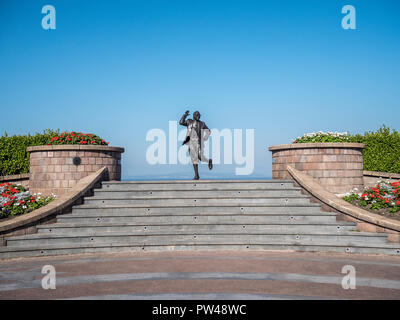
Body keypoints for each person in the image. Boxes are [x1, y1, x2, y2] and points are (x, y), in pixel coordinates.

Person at [179, 110, 213, 180]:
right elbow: (181, 122)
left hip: (198, 143)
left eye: (199, 115)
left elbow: (208, 131)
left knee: (199, 157)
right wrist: (185, 115)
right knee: (194, 159)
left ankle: (208, 161)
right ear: (193, 116)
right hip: (190, 143)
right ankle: (197, 175)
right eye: (196, 115)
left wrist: (206, 137)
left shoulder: (202, 124)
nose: (198, 116)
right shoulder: (189, 121)